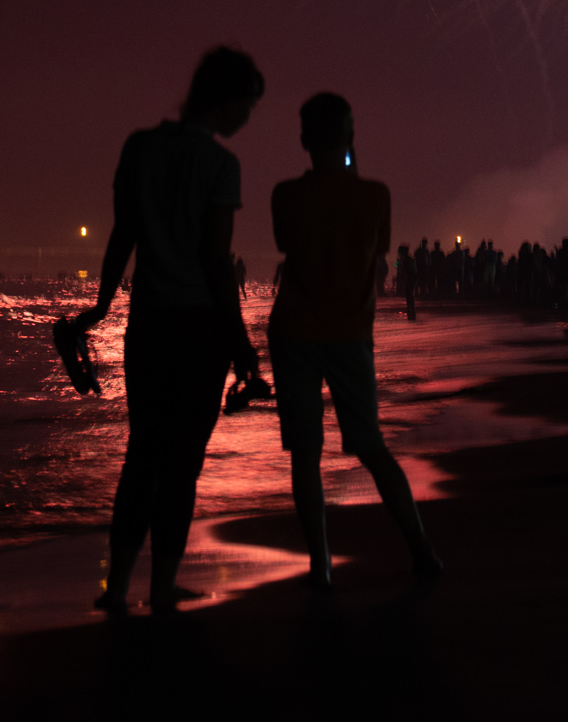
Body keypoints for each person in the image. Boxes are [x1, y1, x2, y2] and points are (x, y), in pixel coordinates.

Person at [74, 45, 264, 614]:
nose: (247, 120)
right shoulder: (220, 165)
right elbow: (215, 261)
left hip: (148, 324)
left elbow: (122, 236)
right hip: (200, 329)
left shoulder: (140, 148)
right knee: (182, 465)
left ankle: (116, 587)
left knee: (141, 457)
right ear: (225, 101)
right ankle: (161, 590)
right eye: (247, 106)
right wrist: (243, 346)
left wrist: (100, 307)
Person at [267, 92, 442, 592]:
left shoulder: (284, 195)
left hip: (294, 331)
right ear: (350, 138)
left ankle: (319, 565)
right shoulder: (376, 196)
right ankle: (421, 549)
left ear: (303, 139)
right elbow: (375, 250)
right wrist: (350, 160)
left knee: (305, 454)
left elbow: (288, 244)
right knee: (371, 446)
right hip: (349, 334)